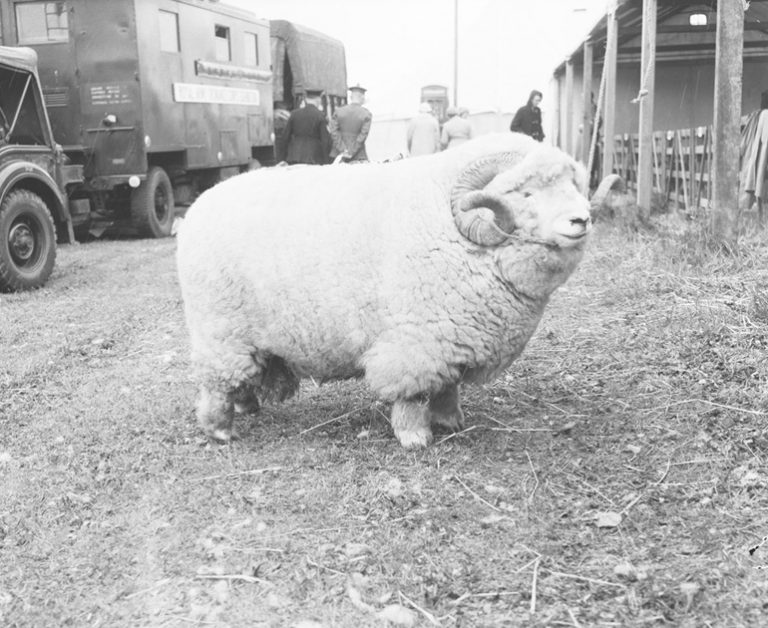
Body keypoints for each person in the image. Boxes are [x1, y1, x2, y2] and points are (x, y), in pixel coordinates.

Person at [276, 90, 331, 165]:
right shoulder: (320, 115)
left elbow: (285, 137)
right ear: (318, 100)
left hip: (294, 155)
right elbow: (325, 140)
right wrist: (326, 161)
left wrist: (281, 158)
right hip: (314, 157)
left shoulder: (294, 114)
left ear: (306, 100)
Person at [741, 90, 768, 222]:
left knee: (758, 190)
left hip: (757, 161)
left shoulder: (757, 117)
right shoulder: (765, 116)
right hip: (762, 160)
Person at [330, 84, 372, 163]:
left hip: (338, 155)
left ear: (351, 97)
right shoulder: (366, 114)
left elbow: (333, 131)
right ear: (362, 97)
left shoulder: (338, 112)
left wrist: (343, 149)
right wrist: (351, 151)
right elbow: (363, 136)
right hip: (358, 155)